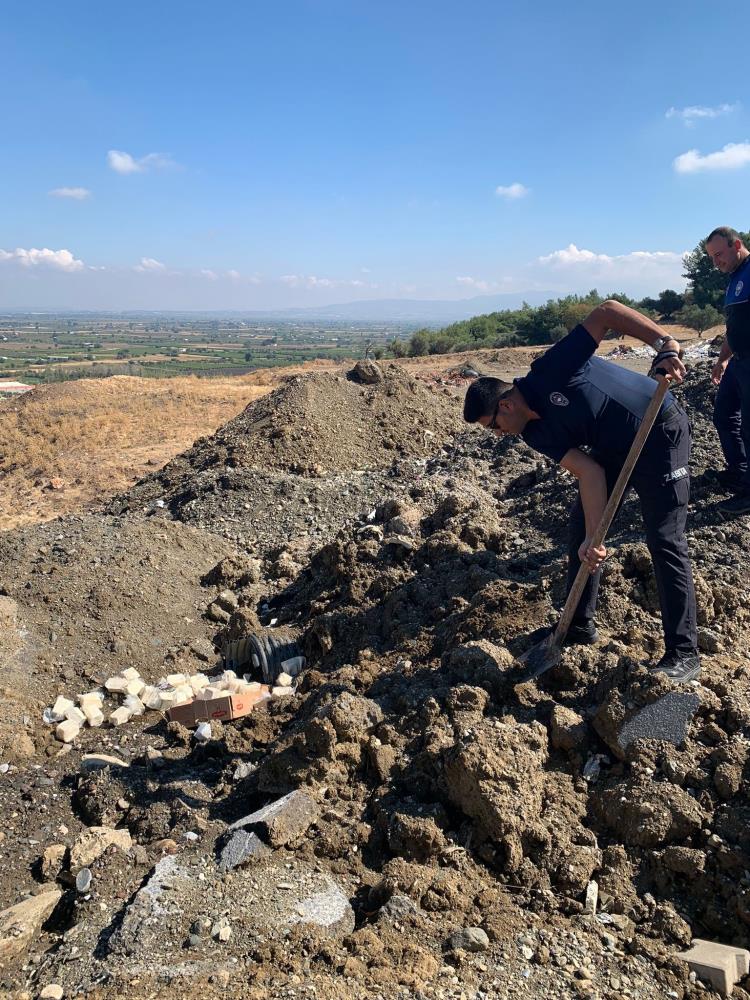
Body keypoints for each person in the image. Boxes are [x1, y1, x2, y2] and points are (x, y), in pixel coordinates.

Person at [463, 299, 700, 683]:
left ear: (505, 405)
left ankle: (684, 652)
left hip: (659, 430)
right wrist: (594, 538)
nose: (497, 435)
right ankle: (577, 626)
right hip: (613, 448)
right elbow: (589, 472)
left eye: (493, 426)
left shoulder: (549, 370)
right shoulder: (534, 433)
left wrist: (665, 344)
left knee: (664, 539)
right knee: (580, 533)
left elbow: (605, 312)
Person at [703, 227, 750, 515]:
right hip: (738, 362)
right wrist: (723, 360)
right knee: (723, 415)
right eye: (711, 257)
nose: (715, 262)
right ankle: (739, 472)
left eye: (719, 254)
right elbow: (734, 329)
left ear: (737, 245)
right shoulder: (734, 280)